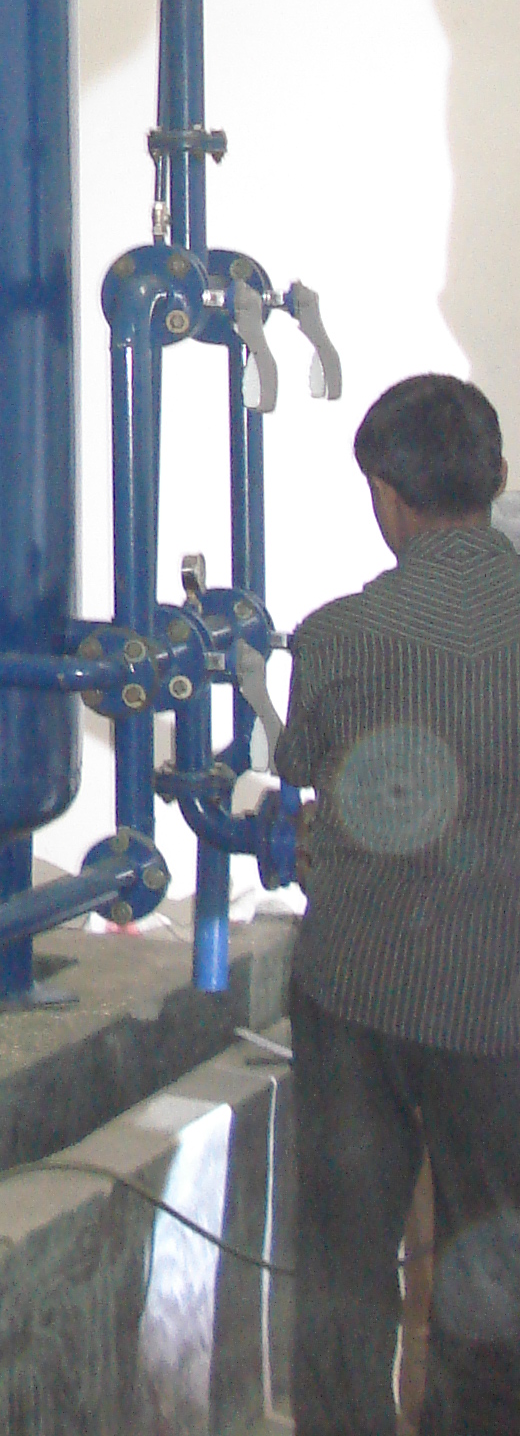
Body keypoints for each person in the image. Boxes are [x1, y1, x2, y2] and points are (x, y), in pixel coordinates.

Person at [276, 372, 520, 1436]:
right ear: (496, 478)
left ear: (384, 492)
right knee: (495, 1257)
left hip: (359, 993)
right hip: (503, 1007)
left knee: (343, 1250)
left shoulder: (337, 637)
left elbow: (305, 775)